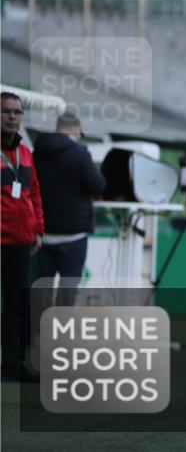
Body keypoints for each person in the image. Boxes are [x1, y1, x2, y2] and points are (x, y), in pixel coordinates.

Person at [34, 111, 106, 306]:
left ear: (57, 129)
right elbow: (97, 185)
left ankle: (38, 324)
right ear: (75, 130)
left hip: (43, 234)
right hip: (73, 236)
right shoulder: (80, 154)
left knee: (41, 289)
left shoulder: (37, 153)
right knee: (67, 292)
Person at [1, 91, 45, 382]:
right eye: (6, 111)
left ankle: (13, 366)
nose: (12, 117)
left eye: (17, 112)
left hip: (20, 243)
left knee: (17, 307)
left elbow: (34, 193)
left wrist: (38, 229)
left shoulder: (26, 153)